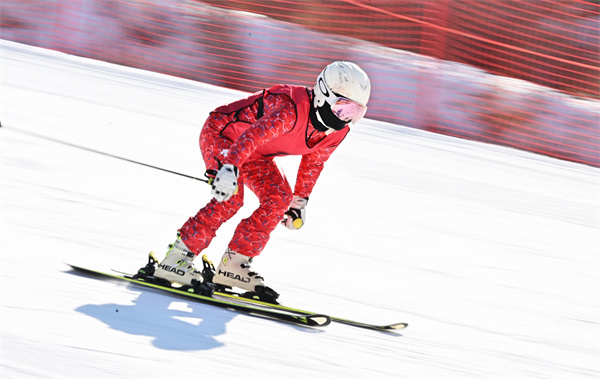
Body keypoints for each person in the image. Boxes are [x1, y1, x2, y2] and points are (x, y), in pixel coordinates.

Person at [153, 61, 371, 295]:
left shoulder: (335, 133)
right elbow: (252, 137)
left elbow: (314, 162)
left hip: (256, 154)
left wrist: (299, 200)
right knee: (231, 198)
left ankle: (233, 265)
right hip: (223, 137)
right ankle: (176, 259)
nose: (346, 119)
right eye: (343, 109)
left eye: (356, 113)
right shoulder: (290, 110)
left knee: (279, 198)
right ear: (324, 95)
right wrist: (229, 168)